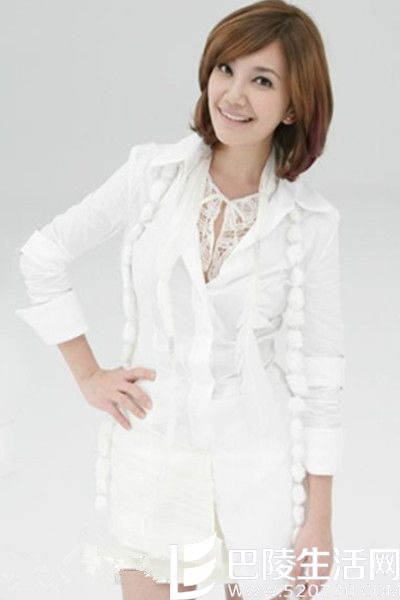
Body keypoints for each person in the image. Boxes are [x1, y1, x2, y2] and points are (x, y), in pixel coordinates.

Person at [15, 1, 346, 599]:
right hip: (156, 450)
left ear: (294, 105)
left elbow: (322, 380)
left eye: (262, 81)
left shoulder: (310, 224)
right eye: (226, 69)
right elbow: (44, 254)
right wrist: (87, 374)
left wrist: (318, 519)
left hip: (258, 462)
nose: (234, 95)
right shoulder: (152, 176)